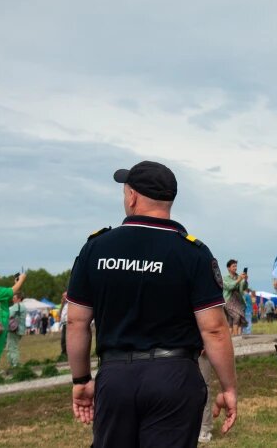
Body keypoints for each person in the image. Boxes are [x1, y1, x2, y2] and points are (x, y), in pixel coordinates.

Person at [66, 160, 238, 447]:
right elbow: (215, 330)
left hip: (116, 376)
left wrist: (81, 379)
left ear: (132, 196)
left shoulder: (96, 247)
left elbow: (77, 322)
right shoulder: (192, 252)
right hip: (174, 377)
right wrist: (229, 387)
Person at [222, 260, 248, 336]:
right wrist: (239, 280)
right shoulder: (225, 278)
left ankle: (233, 339)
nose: (235, 268)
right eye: (233, 266)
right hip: (229, 300)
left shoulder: (238, 277)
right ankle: (236, 337)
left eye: (236, 266)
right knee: (236, 316)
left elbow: (243, 288)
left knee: (233, 320)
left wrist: (245, 280)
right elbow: (229, 287)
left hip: (238, 300)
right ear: (228, 268)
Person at [6, 292, 28, 368]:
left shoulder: (17, 306)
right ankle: (12, 363)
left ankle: (15, 364)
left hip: (13, 329)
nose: (13, 299)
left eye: (14, 298)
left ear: (19, 299)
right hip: (20, 329)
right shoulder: (24, 306)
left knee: (12, 347)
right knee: (12, 346)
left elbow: (8, 315)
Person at [59, 294, 69, 361]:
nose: (63, 297)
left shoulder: (70, 304)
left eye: (65, 296)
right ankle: (64, 353)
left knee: (67, 339)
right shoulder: (63, 305)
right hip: (64, 324)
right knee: (63, 339)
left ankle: (67, 353)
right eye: (63, 296)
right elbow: (60, 314)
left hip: (69, 323)